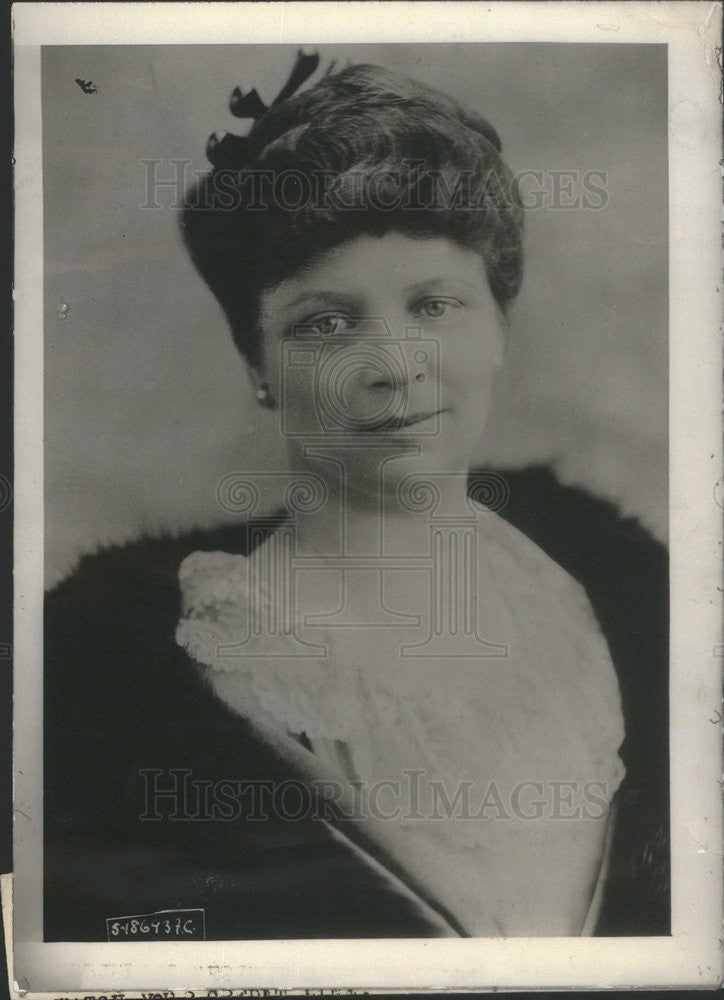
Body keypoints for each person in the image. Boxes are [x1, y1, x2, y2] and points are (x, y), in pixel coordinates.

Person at [43, 54, 669, 941]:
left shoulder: (611, 607)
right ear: (258, 365)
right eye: (324, 323)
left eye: (435, 305)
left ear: (499, 326)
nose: (393, 366)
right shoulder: (176, 671)